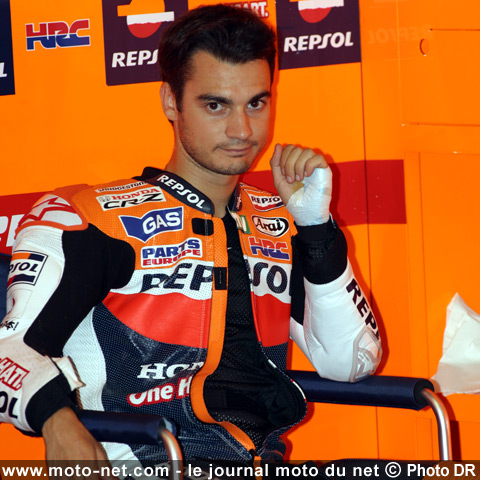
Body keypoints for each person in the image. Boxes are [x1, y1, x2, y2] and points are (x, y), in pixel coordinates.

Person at [0, 3, 381, 474]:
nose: (242, 130)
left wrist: (315, 228)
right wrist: (57, 420)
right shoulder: (90, 218)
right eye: (215, 105)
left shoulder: (278, 221)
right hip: (151, 464)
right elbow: (10, 349)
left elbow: (352, 362)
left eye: (256, 103)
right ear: (170, 102)